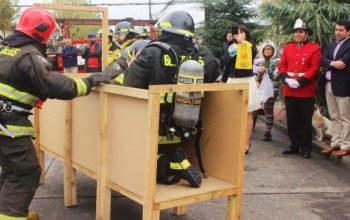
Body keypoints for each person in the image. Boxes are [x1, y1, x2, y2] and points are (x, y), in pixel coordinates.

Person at [0, 7, 113, 220]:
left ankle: (9, 210)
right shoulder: (30, 56)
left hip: (4, 124)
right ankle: (11, 215)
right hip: (8, 125)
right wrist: (90, 82)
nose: (51, 38)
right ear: (40, 32)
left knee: (11, 171)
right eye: (50, 33)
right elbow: (55, 86)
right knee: (26, 173)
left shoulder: (7, 50)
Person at [119, 10, 220, 188]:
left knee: (128, 154)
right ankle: (174, 160)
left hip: (152, 128)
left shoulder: (152, 53)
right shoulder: (204, 54)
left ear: (166, 31)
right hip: (187, 127)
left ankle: (166, 161)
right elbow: (214, 79)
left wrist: (131, 66)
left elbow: (130, 86)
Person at [278, 18, 321, 159]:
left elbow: (314, 68)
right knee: (292, 118)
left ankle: (305, 146)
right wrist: (286, 79)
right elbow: (282, 66)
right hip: (290, 89)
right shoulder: (287, 47)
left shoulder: (314, 48)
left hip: (305, 89)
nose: (298, 34)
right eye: (296, 32)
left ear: (306, 33)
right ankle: (294, 144)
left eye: (301, 32)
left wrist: (301, 81)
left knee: (305, 120)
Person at [221, 25, 260, 154]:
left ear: (246, 35)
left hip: (247, 80)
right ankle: (232, 141)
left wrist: (242, 42)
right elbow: (227, 65)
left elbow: (253, 51)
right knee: (231, 112)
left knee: (248, 113)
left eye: (241, 32)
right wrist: (223, 80)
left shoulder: (249, 47)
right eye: (237, 32)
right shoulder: (233, 47)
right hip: (233, 80)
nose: (238, 34)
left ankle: (246, 143)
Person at [320, 19, 350, 157]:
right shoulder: (332, 45)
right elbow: (322, 59)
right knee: (334, 116)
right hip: (329, 84)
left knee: (345, 117)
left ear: (348, 31)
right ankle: (335, 143)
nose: (337, 32)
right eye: (336, 29)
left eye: (341, 30)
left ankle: (346, 145)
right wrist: (332, 63)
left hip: (343, 85)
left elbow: (344, 62)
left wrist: (330, 63)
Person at [253, 40, 280, 141]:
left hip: (272, 89)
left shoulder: (277, 62)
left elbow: (276, 76)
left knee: (268, 110)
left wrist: (267, 70)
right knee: (254, 108)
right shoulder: (259, 61)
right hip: (259, 89)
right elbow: (254, 75)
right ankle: (251, 129)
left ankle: (268, 133)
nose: (267, 51)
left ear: (273, 50)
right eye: (265, 49)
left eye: (269, 49)